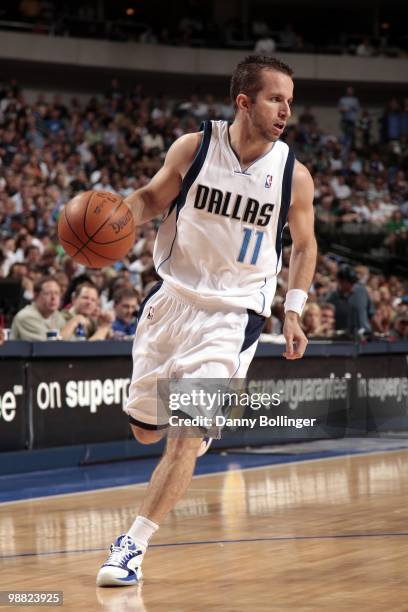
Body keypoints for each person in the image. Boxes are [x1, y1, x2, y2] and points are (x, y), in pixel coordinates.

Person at [96, 54, 317, 587]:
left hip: (234, 315)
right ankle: (203, 419)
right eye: (274, 98)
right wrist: (112, 221)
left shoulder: (294, 173)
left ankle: (131, 547)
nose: (286, 108)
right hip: (171, 301)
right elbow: (151, 196)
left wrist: (293, 310)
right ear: (244, 101)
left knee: (184, 436)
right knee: (146, 431)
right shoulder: (195, 148)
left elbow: (305, 245)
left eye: (289, 99)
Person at [10, 276, 68, 340]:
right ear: (35, 296)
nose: (53, 298)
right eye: (47, 293)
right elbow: (47, 346)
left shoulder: (57, 316)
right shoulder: (26, 317)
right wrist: (74, 323)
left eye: (57, 293)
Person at [326, 264, 374, 335]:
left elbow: (371, 313)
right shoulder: (333, 297)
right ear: (340, 281)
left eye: (353, 282)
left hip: (365, 336)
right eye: (349, 282)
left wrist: (381, 331)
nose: (352, 285)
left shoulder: (361, 291)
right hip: (343, 338)